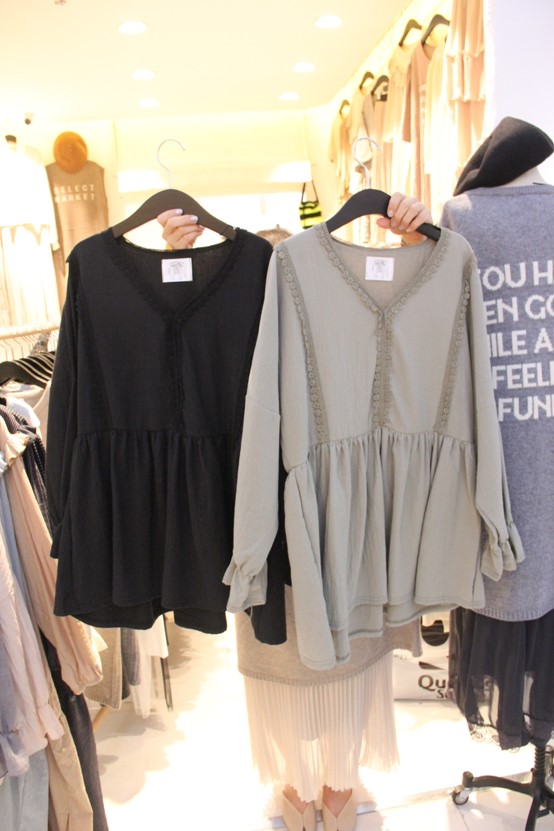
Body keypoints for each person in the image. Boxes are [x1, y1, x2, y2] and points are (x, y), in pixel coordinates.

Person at [157, 194, 436, 831]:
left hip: (300, 488)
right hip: (281, 491)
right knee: (298, 643)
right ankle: (321, 788)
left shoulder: (312, 295)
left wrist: (413, 246)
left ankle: (320, 787)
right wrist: (180, 263)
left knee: (323, 643)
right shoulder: (268, 297)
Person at [440, 117, 554, 755]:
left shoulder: (462, 216)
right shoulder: (458, 219)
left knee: (507, 587)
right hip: (506, 466)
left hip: (496, 463)